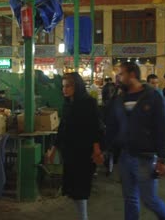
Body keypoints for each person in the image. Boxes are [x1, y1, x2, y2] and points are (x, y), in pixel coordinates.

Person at [105, 62, 165, 220]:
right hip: (125, 156)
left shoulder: (153, 97)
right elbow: (113, 127)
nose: (118, 77)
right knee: (130, 199)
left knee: (150, 200)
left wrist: (163, 158)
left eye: (121, 74)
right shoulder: (120, 99)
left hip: (146, 157)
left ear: (132, 75)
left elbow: (164, 128)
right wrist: (104, 147)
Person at [46, 72, 104, 220]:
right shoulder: (67, 104)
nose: (64, 89)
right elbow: (62, 128)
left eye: (68, 86)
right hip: (70, 153)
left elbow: (95, 128)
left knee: (80, 188)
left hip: (84, 152)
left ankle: (83, 217)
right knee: (73, 189)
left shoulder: (88, 102)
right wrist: (53, 149)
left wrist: (97, 150)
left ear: (76, 86)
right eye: (63, 86)